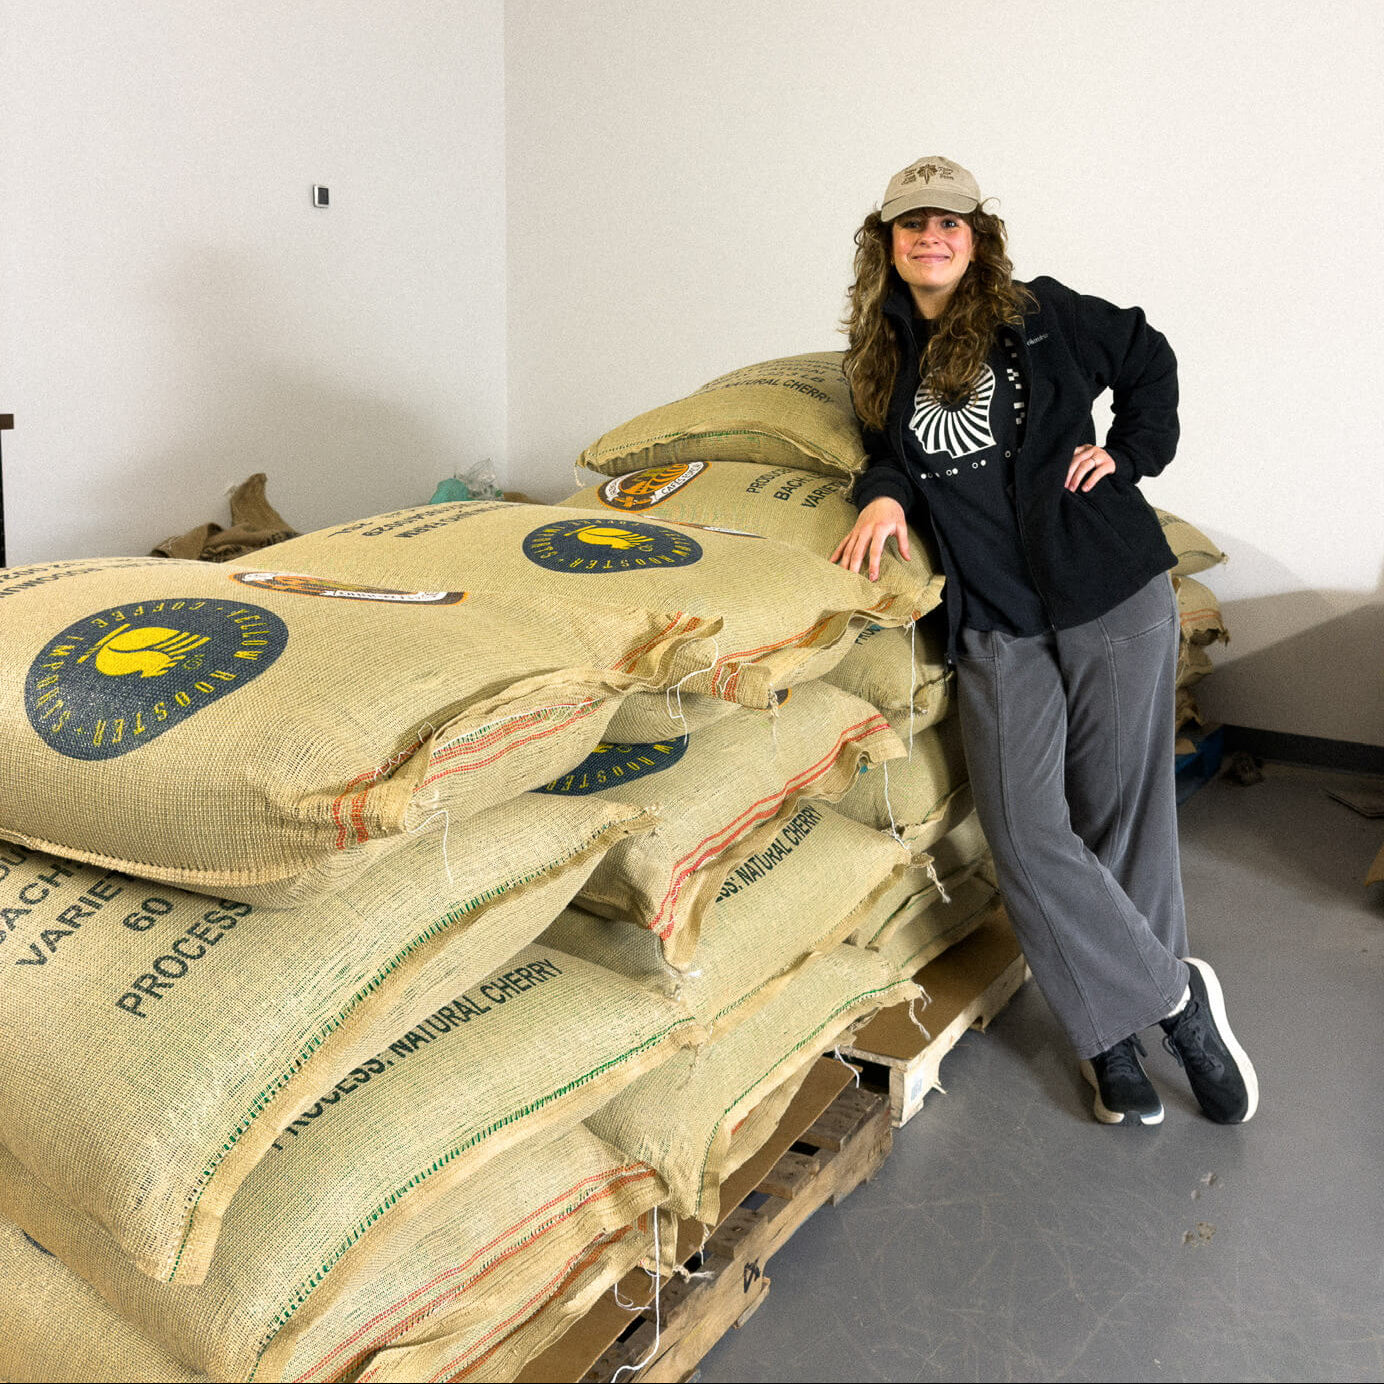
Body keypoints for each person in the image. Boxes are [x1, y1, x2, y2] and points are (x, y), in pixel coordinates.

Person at [830, 155, 1258, 1127]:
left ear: (975, 236)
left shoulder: (1039, 313)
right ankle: (1174, 999)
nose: (930, 236)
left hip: (1105, 588)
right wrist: (886, 492)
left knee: (1119, 816)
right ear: (885, 243)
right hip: (995, 620)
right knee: (1025, 830)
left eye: (949, 221)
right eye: (910, 224)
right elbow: (885, 455)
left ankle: (1108, 1042)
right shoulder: (883, 356)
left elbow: (1146, 354)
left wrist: (1129, 455)